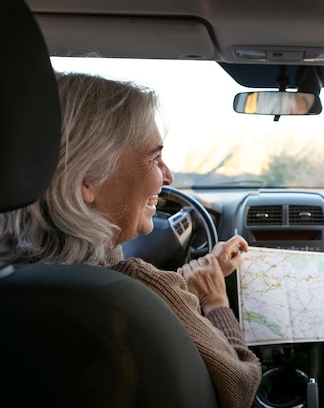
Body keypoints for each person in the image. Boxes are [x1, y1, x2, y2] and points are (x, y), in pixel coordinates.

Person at [0, 72, 262, 408]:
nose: (167, 177)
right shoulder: (138, 290)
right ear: (87, 180)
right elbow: (242, 387)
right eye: (154, 158)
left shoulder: (15, 280)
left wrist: (183, 291)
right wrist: (214, 301)